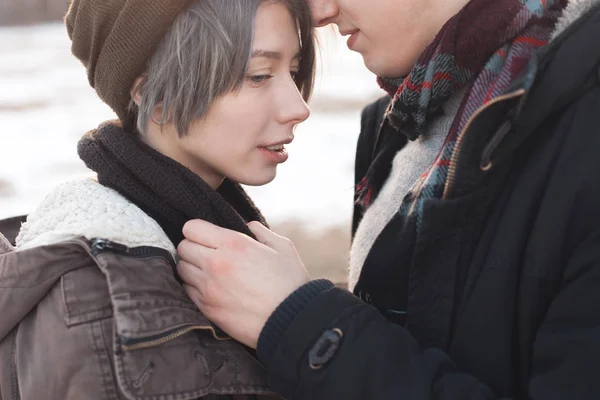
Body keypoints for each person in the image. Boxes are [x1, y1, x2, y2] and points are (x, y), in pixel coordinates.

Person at [176, 0, 600, 398]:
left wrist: (305, 326)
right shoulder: (405, 117)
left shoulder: (582, 126)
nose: (320, 11)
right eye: (259, 75)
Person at [0, 0, 314, 398]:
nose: (298, 107)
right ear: (152, 92)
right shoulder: (102, 302)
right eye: (259, 75)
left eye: (293, 71)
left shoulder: (215, 243)